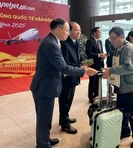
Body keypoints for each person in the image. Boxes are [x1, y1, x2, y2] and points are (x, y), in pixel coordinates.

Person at [30, 18, 98, 148]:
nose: (68, 33)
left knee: (46, 117)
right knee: (43, 118)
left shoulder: (53, 41)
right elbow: (64, 68)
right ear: (58, 29)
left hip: (46, 85)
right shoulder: (51, 44)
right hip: (44, 87)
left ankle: (45, 139)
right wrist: (85, 71)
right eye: (67, 30)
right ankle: (43, 144)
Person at [102, 26, 133, 148]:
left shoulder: (129, 49)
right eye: (110, 39)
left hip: (131, 86)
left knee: (132, 113)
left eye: (113, 38)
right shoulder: (119, 48)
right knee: (122, 111)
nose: (112, 41)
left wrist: (111, 70)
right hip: (122, 85)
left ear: (121, 36)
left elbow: (129, 67)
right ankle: (125, 131)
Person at [58, 22, 82, 134]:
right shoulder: (64, 44)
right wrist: (81, 67)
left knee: (69, 99)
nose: (79, 32)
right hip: (67, 77)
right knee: (64, 100)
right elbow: (66, 63)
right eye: (76, 30)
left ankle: (64, 117)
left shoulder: (75, 42)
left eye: (80, 30)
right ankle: (65, 124)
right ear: (70, 31)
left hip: (74, 75)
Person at [86, 27, 106, 103]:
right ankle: (91, 97)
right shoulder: (90, 41)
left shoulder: (100, 41)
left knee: (98, 80)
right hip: (93, 64)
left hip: (100, 64)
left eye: (101, 32)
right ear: (94, 33)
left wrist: (103, 55)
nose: (100, 34)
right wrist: (98, 55)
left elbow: (101, 51)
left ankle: (97, 95)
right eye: (99, 32)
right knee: (92, 81)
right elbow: (88, 53)